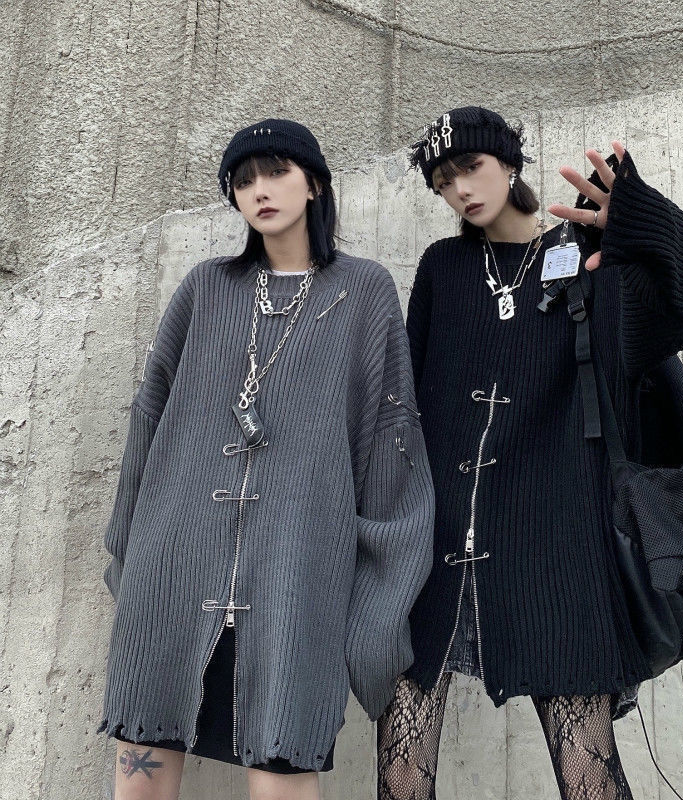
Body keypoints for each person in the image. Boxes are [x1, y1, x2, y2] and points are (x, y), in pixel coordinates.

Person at [376, 106, 683, 800]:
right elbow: (407, 407)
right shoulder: (443, 268)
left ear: (509, 163)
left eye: (470, 166)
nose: (460, 188)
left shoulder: (587, 257)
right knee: (401, 774)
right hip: (438, 554)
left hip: (559, 551)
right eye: (442, 181)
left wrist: (639, 221)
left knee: (589, 776)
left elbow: (682, 310)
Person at [98, 117, 435, 800]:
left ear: (314, 184)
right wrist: (131, 556)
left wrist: (378, 601)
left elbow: (390, 443)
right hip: (173, 569)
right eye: (244, 180)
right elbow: (148, 419)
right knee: (141, 775)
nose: (260, 190)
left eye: (277, 172)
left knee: (282, 777)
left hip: (297, 577)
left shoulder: (364, 292)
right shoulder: (205, 287)